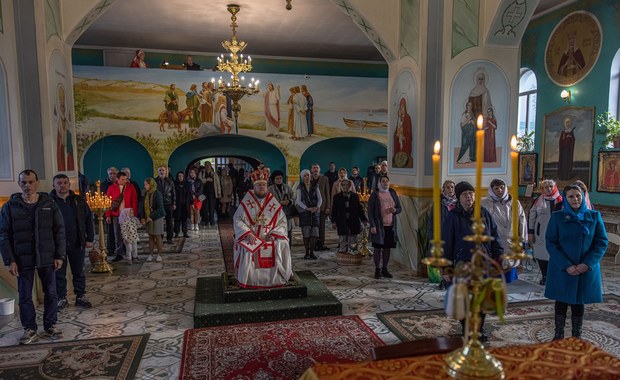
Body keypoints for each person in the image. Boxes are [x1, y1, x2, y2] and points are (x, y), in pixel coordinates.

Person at [0, 170, 65, 344]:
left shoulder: (49, 204)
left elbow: (59, 230)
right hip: (22, 259)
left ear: (37, 183)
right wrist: (9, 260)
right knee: (25, 296)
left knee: (51, 293)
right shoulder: (10, 206)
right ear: (19, 184)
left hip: (47, 256)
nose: (27, 186)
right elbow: (3, 235)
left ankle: (50, 325)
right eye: (24, 182)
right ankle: (29, 328)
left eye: (30, 182)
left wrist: (59, 255)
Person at [441, 181, 504, 342]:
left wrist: (499, 256)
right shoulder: (453, 216)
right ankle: (467, 329)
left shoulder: (484, 213)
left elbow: (494, 236)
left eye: (470, 193)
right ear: (458, 197)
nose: (468, 197)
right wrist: (446, 267)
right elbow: (446, 243)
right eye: (464, 194)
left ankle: (479, 328)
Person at [545, 184, 608, 340]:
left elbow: (601, 242)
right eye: (571, 196)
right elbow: (551, 243)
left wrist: (587, 264)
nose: (575, 199)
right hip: (563, 268)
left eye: (578, 196)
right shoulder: (557, 217)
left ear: (583, 196)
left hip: (584, 268)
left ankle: (576, 335)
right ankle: (558, 334)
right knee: (561, 300)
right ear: (565, 199)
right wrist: (566, 265)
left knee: (578, 302)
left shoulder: (594, 216)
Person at [233, 168, 292, 288]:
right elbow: (237, 220)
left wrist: (275, 234)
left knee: (282, 244)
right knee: (246, 249)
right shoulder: (247, 201)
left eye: (264, 185)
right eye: (259, 185)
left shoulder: (272, 201)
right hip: (251, 236)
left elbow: (282, 221)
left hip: (270, 235)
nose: (262, 187)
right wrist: (247, 233)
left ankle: (278, 278)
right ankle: (249, 280)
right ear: (254, 186)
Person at [50, 173, 94, 309]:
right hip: (57, 243)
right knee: (59, 272)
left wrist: (90, 238)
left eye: (65, 182)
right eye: (59, 183)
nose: (62, 185)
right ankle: (61, 298)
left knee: (79, 271)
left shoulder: (78, 200)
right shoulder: (48, 201)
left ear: (69, 184)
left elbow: (88, 219)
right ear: (54, 185)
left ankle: (80, 296)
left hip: (76, 241)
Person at [480, 178, 527, 282]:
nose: (499, 190)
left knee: (509, 271)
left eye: (502, 187)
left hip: (511, 240)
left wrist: (523, 239)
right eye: (496, 188)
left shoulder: (515, 203)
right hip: (494, 241)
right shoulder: (484, 204)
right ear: (492, 190)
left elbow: (522, 220)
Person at [528, 179, 563, 285]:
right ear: (542, 189)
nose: (548, 189)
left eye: (551, 186)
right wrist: (530, 232)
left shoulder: (561, 200)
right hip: (541, 231)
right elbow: (532, 217)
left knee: (556, 253)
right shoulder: (538, 201)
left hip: (557, 231)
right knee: (542, 254)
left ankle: (555, 276)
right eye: (546, 187)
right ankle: (545, 275)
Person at [368, 175, 402, 279]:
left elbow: (399, 208)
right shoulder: (375, 194)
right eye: (383, 181)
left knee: (387, 249)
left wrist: (395, 210)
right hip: (379, 226)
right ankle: (377, 269)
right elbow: (370, 212)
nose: (385, 183)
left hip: (390, 226)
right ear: (379, 183)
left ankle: (385, 269)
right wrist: (373, 225)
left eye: (387, 181)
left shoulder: (392, 193)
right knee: (378, 248)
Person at [428, 179, 457, 290]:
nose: (450, 189)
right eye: (448, 187)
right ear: (443, 189)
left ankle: (451, 280)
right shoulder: (438, 203)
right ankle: (444, 280)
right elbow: (433, 221)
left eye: (452, 187)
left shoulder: (458, 202)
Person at [105, 171, 138, 262]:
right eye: (122, 179)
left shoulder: (130, 187)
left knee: (130, 234)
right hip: (116, 215)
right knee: (118, 235)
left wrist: (134, 213)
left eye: (126, 179)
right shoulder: (111, 188)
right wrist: (108, 215)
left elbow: (134, 200)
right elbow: (108, 202)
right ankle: (119, 253)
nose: (125, 181)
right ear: (117, 179)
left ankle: (132, 254)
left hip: (128, 215)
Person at [331, 179, 367, 254]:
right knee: (342, 240)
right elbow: (334, 210)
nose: (345, 186)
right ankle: (343, 257)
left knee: (352, 241)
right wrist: (333, 221)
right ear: (341, 186)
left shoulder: (355, 196)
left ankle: (352, 256)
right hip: (342, 221)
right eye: (343, 185)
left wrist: (364, 219)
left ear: (350, 186)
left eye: (347, 185)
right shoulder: (337, 197)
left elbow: (359, 209)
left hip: (353, 221)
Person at [297, 169, 322, 260]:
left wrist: (317, 207)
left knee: (314, 234)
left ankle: (312, 252)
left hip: (315, 213)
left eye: (308, 175)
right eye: (305, 176)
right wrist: (307, 208)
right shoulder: (300, 187)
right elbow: (298, 201)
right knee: (306, 234)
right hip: (305, 213)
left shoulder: (315, 186)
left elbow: (320, 198)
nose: (307, 177)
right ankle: (306, 252)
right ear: (302, 177)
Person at [268, 170, 296, 243]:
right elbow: (268, 201)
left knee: (288, 233)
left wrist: (289, 201)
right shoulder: (270, 189)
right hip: (276, 215)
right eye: (277, 178)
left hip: (287, 213)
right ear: (274, 179)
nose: (279, 180)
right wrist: (279, 202)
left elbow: (293, 196)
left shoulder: (286, 187)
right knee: (278, 232)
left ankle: (288, 250)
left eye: (280, 178)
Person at [142, 178, 166, 262]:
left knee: (157, 236)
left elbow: (160, 208)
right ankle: (150, 254)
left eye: (146, 184)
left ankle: (159, 255)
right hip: (149, 217)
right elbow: (143, 206)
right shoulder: (147, 194)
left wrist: (151, 216)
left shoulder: (157, 193)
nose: (144, 186)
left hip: (157, 217)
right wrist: (143, 217)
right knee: (151, 236)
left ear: (150, 184)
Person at [311, 163, 331, 251]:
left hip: (322, 206)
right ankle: (313, 244)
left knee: (321, 227)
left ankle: (321, 244)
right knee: (313, 226)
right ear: (311, 170)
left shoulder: (325, 178)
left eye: (317, 168)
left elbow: (327, 193)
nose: (315, 169)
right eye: (314, 168)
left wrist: (328, 207)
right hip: (311, 207)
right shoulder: (309, 178)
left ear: (319, 169)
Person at [56, 84, 75, 172]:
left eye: (63, 106)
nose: (62, 108)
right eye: (60, 106)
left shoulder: (67, 122)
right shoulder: (58, 121)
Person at [155, 166, 176, 244]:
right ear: (158, 171)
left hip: (168, 204)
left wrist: (174, 203)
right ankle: (160, 238)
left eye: (163, 170)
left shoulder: (170, 181)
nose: (161, 171)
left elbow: (174, 193)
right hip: (158, 204)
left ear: (166, 171)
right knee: (159, 223)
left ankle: (169, 238)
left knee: (169, 222)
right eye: (160, 170)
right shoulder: (154, 181)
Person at [393, 98, 413, 168]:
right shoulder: (399, 119)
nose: (401, 109)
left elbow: (409, 133)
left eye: (402, 107)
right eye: (400, 107)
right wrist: (397, 135)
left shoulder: (408, 118)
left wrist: (404, 136)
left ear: (405, 107)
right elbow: (397, 131)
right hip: (399, 140)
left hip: (405, 140)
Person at [199, 162, 221, 226]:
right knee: (205, 208)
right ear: (205, 166)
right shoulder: (202, 173)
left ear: (210, 166)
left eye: (209, 165)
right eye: (206, 165)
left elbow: (218, 183)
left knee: (212, 208)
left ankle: (212, 221)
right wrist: (206, 180)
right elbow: (199, 180)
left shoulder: (214, 174)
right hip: (204, 193)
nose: (207, 167)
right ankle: (206, 221)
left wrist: (219, 192)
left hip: (212, 193)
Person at [173, 171, 191, 238]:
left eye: (182, 176)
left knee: (184, 219)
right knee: (177, 219)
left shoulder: (187, 184)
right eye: (179, 176)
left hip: (185, 204)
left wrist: (191, 203)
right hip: (177, 205)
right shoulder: (174, 184)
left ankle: (185, 232)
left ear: (184, 177)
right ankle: (176, 233)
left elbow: (189, 194)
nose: (180, 177)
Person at [558, 116, 575, 180]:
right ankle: (562, 176)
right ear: (565, 124)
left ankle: (567, 176)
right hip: (563, 151)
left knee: (567, 164)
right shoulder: (563, 132)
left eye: (569, 123)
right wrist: (564, 138)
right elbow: (561, 141)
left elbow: (573, 140)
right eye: (566, 123)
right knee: (563, 164)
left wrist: (570, 137)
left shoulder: (571, 132)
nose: (568, 124)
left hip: (568, 151)